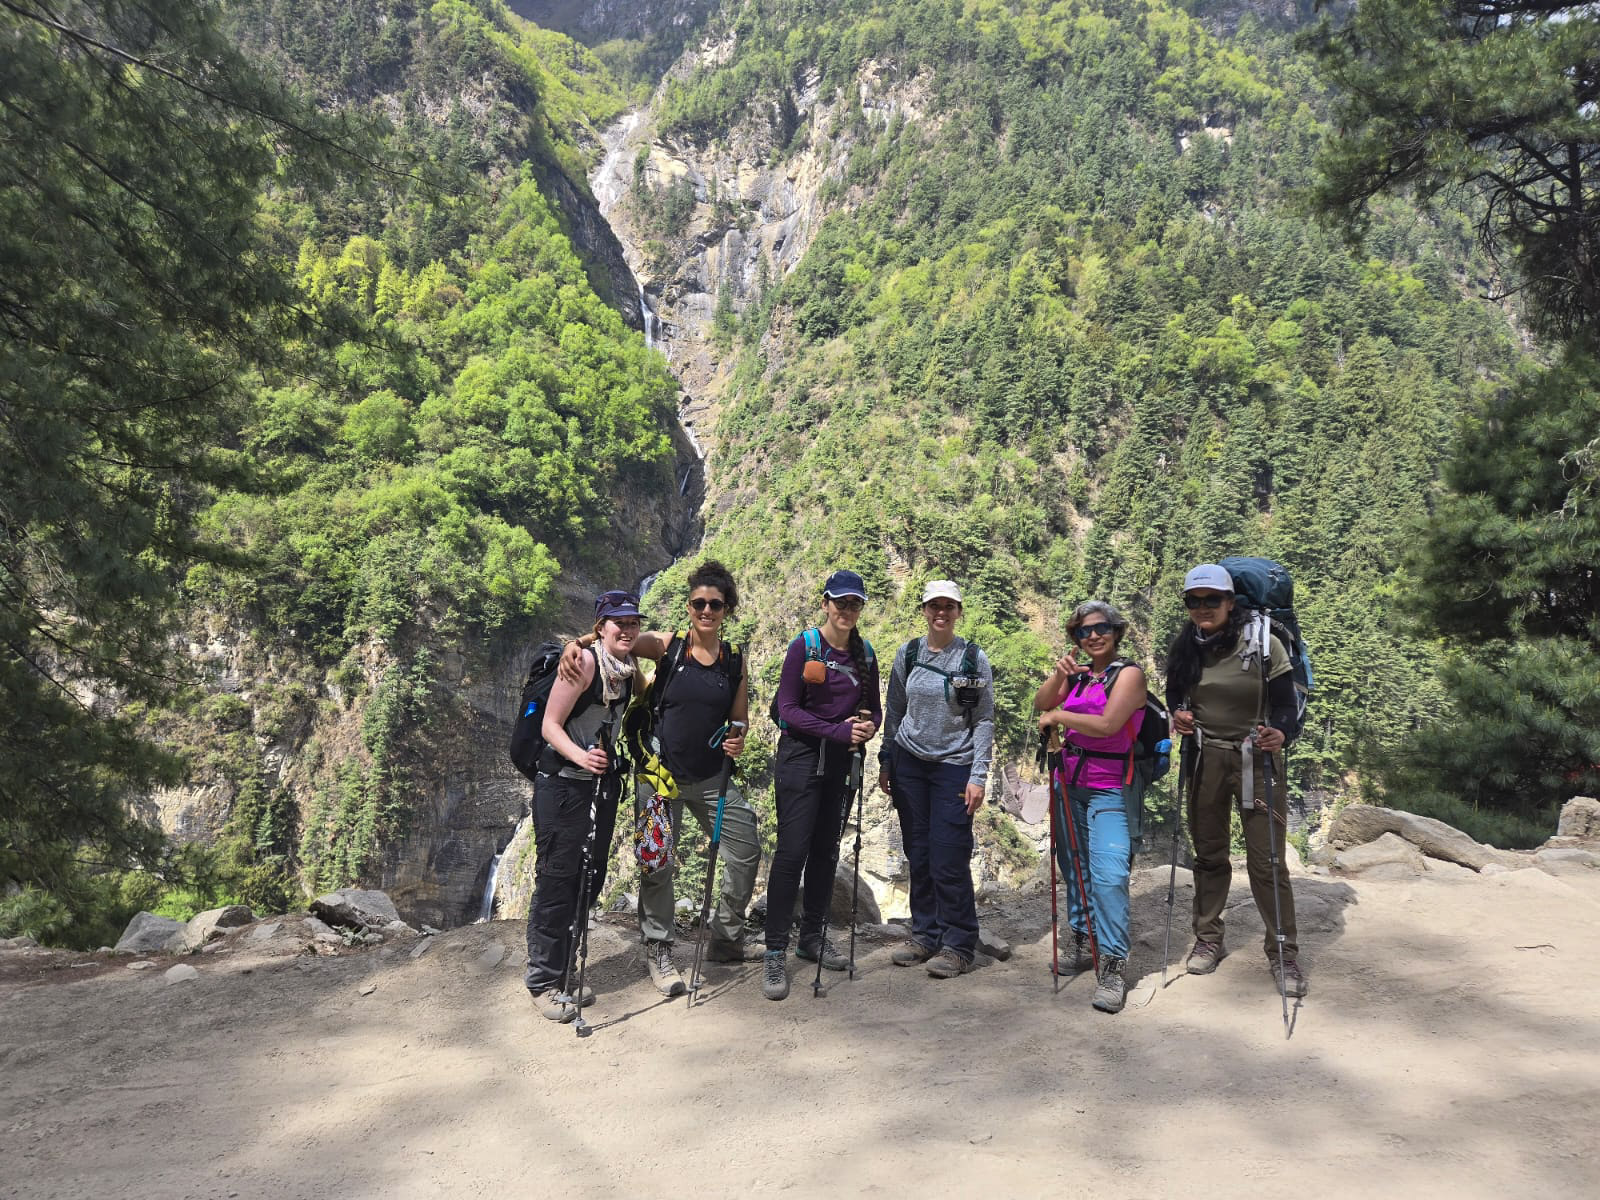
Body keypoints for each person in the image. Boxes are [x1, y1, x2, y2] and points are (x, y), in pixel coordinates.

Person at [561, 561, 760, 997]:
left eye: (715, 604)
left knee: (746, 852)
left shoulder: (733, 661)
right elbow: (620, 637)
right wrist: (577, 643)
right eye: (698, 603)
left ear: (727, 609)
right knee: (657, 864)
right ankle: (659, 948)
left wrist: (738, 738)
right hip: (659, 775)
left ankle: (726, 938)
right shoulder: (668, 646)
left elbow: (740, 718)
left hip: (712, 778)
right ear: (689, 606)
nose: (706, 610)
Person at [1165, 563, 1307, 998]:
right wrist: (1179, 713)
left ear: (1231, 602)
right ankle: (1208, 937)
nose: (1203, 608)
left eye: (1212, 600)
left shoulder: (1264, 642)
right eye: (1194, 600)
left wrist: (1281, 731)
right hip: (1206, 758)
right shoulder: (1187, 644)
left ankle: (1283, 951)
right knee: (1209, 855)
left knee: (1267, 862)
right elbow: (1175, 691)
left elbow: (1286, 702)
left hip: (1256, 761)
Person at [762, 569, 882, 1001]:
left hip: (840, 764)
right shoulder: (805, 647)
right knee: (792, 853)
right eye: (841, 602)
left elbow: (875, 711)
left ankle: (812, 936)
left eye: (855, 604)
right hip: (799, 759)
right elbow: (788, 710)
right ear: (826, 603)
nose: (847, 611)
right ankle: (774, 949)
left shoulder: (864, 654)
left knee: (826, 851)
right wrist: (836, 731)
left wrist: (867, 727)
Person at [523, 590, 639, 1022]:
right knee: (557, 877)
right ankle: (543, 982)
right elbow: (551, 726)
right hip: (563, 785)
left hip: (599, 787)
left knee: (591, 875)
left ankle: (563, 969)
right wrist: (581, 757)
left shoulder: (626, 668)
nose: (626, 629)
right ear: (600, 626)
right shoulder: (584, 663)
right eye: (618, 622)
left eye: (632, 622)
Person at [1033, 601, 1147, 1014]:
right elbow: (1040, 703)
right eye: (1083, 632)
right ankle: (1082, 940)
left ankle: (1113, 965)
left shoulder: (1130, 675)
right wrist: (1060, 676)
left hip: (1109, 789)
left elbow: (1108, 726)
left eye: (1101, 629)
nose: (1093, 636)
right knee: (1074, 866)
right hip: (1069, 784)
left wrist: (1061, 714)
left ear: (1116, 632)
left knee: (1110, 874)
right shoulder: (1081, 678)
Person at [878, 581, 994, 980]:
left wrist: (978, 775)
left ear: (958, 611)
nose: (940, 612)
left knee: (949, 855)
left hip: (953, 767)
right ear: (924, 610)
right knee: (919, 853)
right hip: (910, 763)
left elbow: (984, 719)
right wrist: (887, 759)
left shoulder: (973, 659)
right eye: (934, 606)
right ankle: (925, 934)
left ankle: (959, 943)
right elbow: (894, 709)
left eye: (948, 606)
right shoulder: (908, 654)